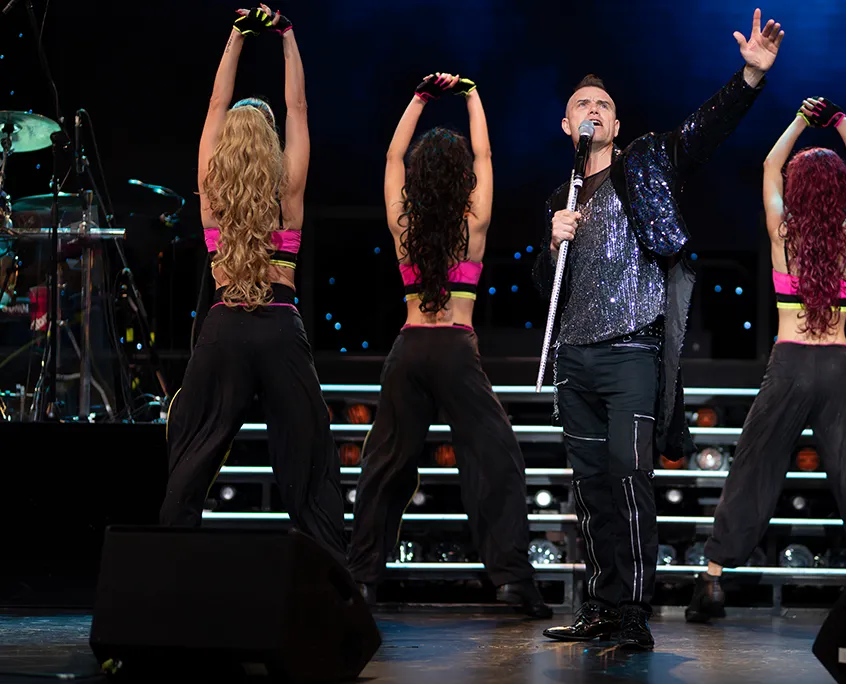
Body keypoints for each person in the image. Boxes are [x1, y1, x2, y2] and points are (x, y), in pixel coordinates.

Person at [533, 8, 784, 650]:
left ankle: (636, 611)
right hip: (575, 358)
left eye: (603, 104)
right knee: (590, 490)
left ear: (615, 123)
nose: (592, 110)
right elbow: (549, 292)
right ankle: (604, 604)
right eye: (580, 104)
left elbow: (699, 135)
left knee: (627, 477)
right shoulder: (559, 200)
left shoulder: (643, 162)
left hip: (631, 351)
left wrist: (748, 79)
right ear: (565, 125)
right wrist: (548, 244)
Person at [684, 97, 846, 622]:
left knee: (755, 467)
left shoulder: (785, 234)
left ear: (798, 192)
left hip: (790, 363)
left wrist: (802, 120)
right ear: (840, 193)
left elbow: (769, 166)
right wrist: (843, 122)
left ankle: (712, 580)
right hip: (835, 365)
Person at [347, 73, 551, 618]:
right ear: (461, 178)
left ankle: (362, 580)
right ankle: (513, 581)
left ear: (418, 178)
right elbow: (484, 154)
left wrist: (416, 99)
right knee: (496, 460)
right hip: (456, 352)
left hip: (410, 348)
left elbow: (392, 158)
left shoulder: (403, 222)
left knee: (385, 465)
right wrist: (472, 94)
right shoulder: (474, 221)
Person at [161, 6, 346, 562]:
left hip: (224, 329)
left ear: (227, 144)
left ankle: (166, 570)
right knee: (307, 457)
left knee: (192, 449)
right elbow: (298, 106)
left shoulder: (210, 183)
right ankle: (330, 580)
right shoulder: (288, 183)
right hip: (279, 328)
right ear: (268, 141)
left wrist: (237, 36)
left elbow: (218, 103)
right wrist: (287, 35)